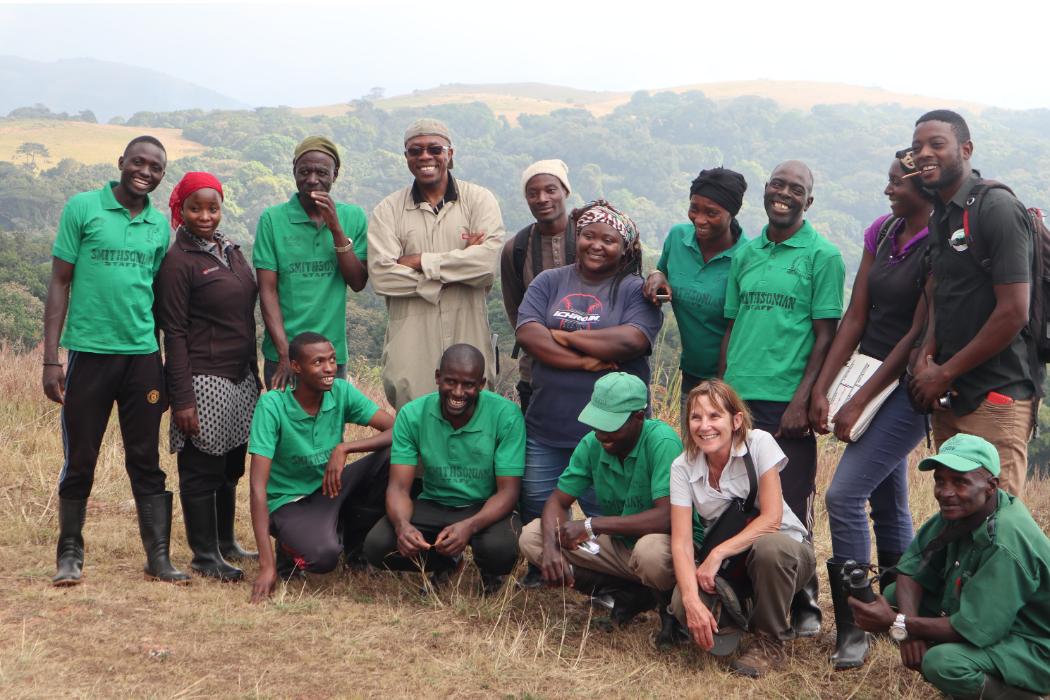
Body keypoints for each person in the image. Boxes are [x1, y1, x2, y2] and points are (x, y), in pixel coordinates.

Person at [808, 153, 935, 669]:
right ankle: (901, 618)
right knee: (889, 503)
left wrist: (859, 400)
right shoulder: (883, 232)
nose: (887, 191)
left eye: (895, 183)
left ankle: (854, 624)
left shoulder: (939, 245)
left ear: (925, 187)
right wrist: (824, 386)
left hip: (906, 388)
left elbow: (915, 335)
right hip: (862, 373)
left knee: (844, 494)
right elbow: (857, 314)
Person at [44, 135, 189, 586]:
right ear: (121, 162)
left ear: (163, 175)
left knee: (144, 457)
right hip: (89, 354)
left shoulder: (159, 228)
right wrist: (51, 358)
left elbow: (162, 302)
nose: (146, 171)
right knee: (81, 456)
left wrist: (168, 367)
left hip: (142, 357)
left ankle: (158, 557)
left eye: (156, 167)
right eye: (138, 162)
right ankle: (70, 554)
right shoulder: (83, 208)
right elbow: (59, 282)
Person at [719, 160, 845, 635]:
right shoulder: (746, 253)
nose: (784, 193)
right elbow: (732, 325)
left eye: (796, 189)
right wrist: (720, 390)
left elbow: (825, 334)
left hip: (785, 401)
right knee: (739, 500)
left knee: (791, 505)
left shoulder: (823, 256)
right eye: (777, 184)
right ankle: (750, 595)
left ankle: (806, 602)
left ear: (808, 201)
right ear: (765, 191)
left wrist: (804, 398)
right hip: (740, 399)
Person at [514, 199, 662, 585]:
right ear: (576, 237)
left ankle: (609, 581)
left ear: (625, 248)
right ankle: (548, 567)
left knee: (606, 512)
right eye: (588, 236)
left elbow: (629, 341)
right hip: (549, 422)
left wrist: (562, 334)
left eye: (609, 240)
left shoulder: (635, 292)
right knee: (539, 501)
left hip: (610, 434)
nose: (596, 245)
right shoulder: (549, 281)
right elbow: (529, 334)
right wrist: (584, 361)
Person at [850, 433, 1050, 700]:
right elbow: (911, 571)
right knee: (894, 596)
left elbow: (972, 629)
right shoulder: (965, 509)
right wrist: (908, 631)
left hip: (1036, 646)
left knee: (943, 664)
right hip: (997, 620)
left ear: (991, 485)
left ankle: (1017, 695)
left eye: (960, 481)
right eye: (939, 480)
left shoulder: (1005, 542)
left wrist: (899, 623)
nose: (945, 492)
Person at [907, 110, 1040, 497]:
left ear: (966, 149)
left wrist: (944, 373)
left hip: (997, 395)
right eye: (917, 148)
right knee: (955, 514)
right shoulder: (943, 215)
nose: (924, 154)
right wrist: (926, 355)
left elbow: (1013, 311)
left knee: (997, 518)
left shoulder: (996, 208)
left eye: (936, 144)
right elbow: (941, 295)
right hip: (950, 397)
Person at [518, 373, 691, 643]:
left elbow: (667, 517)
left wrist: (591, 525)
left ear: (639, 417)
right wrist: (552, 548)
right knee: (533, 537)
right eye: (598, 422)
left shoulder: (662, 441)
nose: (601, 433)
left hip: (659, 544)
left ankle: (670, 615)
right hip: (619, 545)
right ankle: (627, 594)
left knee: (651, 554)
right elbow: (557, 501)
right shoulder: (592, 444)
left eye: (611, 425)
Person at [669, 380, 814, 678]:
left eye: (714, 416)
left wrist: (717, 554)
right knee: (683, 608)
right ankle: (737, 615)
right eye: (696, 417)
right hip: (734, 566)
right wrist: (691, 599)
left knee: (769, 548)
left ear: (736, 421)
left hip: (784, 554)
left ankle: (770, 640)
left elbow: (772, 518)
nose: (704, 426)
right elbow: (681, 543)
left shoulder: (758, 443)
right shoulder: (682, 467)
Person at [155, 172, 261, 582]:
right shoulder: (178, 261)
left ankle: (225, 542)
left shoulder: (231, 250)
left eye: (212, 207)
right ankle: (204, 555)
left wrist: (253, 374)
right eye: (194, 208)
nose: (205, 216)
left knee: (230, 465)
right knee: (201, 469)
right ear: (180, 210)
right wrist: (181, 398)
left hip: (240, 375)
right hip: (203, 378)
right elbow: (175, 333)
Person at [363, 344, 524, 595]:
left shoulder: (506, 415)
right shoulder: (413, 414)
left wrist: (469, 526)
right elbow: (399, 487)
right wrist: (402, 525)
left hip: (484, 505)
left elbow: (508, 492)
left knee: (502, 551)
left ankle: (489, 570)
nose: (458, 392)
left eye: (468, 384)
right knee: (378, 546)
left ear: (481, 384)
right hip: (435, 502)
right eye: (450, 382)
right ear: (438, 377)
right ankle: (447, 560)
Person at [368, 119, 505, 409]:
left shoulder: (479, 200)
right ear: (406, 157)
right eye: (415, 151)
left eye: (434, 149)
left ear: (450, 154)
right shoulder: (388, 210)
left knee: (473, 426)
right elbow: (382, 276)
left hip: (469, 337)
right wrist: (457, 267)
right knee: (415, 436)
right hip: (411, 348)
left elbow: (485, 264)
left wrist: (419, 261)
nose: (425, 157)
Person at [247, 332, 394, 603]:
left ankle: (355, 546)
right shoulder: (273, 406)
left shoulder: (341, 391)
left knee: (392, 456)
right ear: (296, 367)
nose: (329, 368)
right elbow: (257, 487)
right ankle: (285, 554)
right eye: (318, 362)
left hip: (330, 488)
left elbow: (397, 430)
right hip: (290, 502)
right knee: (322, 558)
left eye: (332, 360)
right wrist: (265, 568)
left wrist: (345, 448)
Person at [254, 136, 368, 390]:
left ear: (335, 174)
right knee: (283, 427)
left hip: (331, 357)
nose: (313, 179)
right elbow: (267, 290)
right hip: (283, 355)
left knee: (329, 426)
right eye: (305, 171)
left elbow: (358, 281)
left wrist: (336, 228)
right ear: (294, 170)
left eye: (322, 172)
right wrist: (285, 354)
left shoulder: (353, 216)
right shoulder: (273, 219)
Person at [644, 168, 748, 431]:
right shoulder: (678, 238)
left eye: (711, 212)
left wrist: (723, 388)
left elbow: (740, 326)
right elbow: (663, 270)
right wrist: (656, 275)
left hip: (734, 380)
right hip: (691, 374)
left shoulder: (747, 256)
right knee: (692, 456)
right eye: (694, 208)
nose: (699, 219)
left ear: (731, 213)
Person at [501, 159, 576, 415]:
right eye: (533, 193)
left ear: (565, 191)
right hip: (537, 374)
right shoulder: (517, 249)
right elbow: (516, 312)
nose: (542, 198)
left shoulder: (590, 237)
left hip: (594, 372)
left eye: (551, 190)